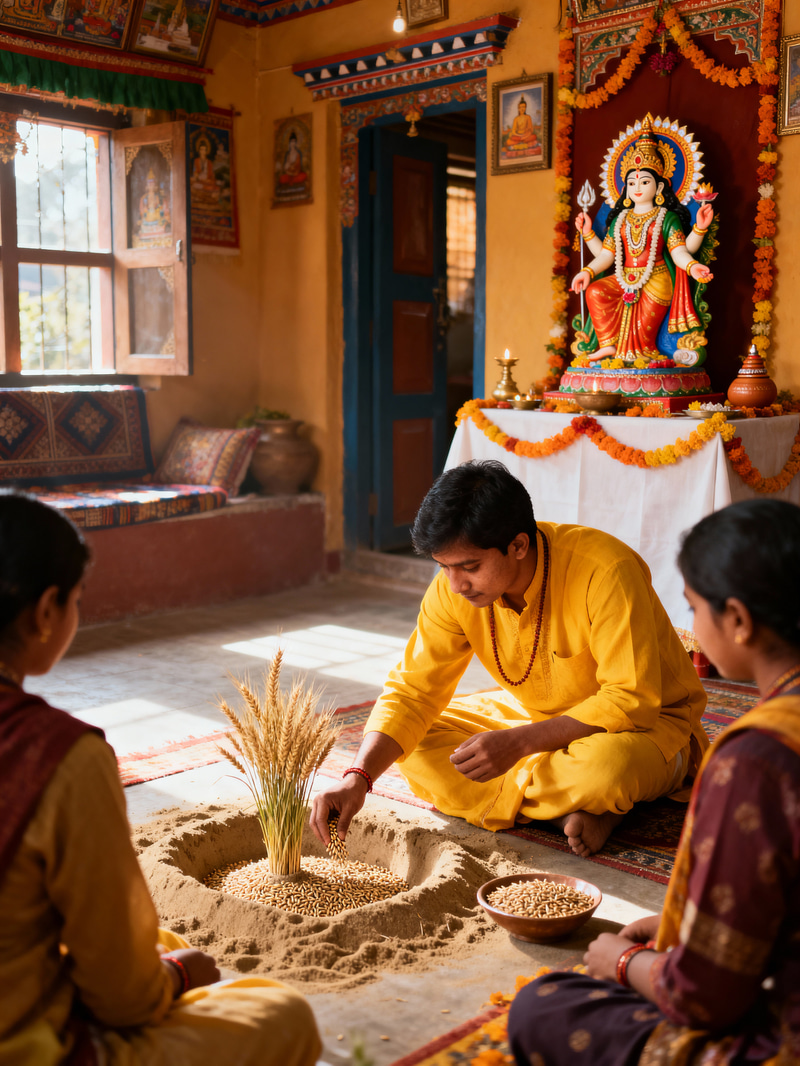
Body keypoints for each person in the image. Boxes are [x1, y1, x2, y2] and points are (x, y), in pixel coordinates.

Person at [0, 491, 321, 1066]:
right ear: (46, 609)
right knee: (279, 1014)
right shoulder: (58, 757)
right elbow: (125, 1000)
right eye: (76, 600)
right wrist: (175, 978)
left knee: (160, 937)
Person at [507, 497, 800, 1065]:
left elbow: (707, 998)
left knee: (547, 1005)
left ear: (737, 620)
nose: (691, 628)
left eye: (693, 609)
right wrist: (677, 924)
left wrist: (621, 962)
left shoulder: (756, 759)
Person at [311, 461, 708, 858]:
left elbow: (632, 701)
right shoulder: (452, 587)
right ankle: (565, 811)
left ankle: (585, 796)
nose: (455, 585)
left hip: (646, 729)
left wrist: (518, 744)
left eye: (470, 567)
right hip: (533, 719)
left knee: (607, 770)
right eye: (443, 568)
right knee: (409, 746)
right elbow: (413, 690)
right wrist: (357, 778)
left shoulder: (606, 571)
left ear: (518, 545)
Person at [570, 114, 714, 364]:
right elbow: (606, 256)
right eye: (632, 182)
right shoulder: (620, 219)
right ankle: (608, 346)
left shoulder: (666, 217)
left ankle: (641, 359)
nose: (637, 187)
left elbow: (679, 252)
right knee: (594, 291)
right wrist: (587, 271)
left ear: (659, 187)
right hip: (624, 276)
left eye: (645, 181)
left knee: (640, 344)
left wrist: (694, 254)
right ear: (624, 188)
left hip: (656, 279)